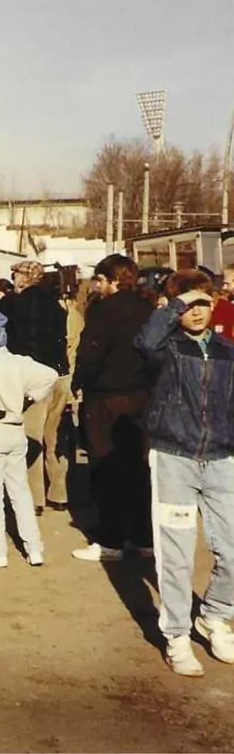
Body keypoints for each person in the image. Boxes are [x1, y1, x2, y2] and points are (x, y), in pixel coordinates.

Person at [134, 270, 234, 676]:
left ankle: (215, 616)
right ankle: (176, 634)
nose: (196, 311)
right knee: (176, 553)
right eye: (188, 303)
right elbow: (144, 341)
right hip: (173, 457)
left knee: (231, 548)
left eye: (203, 302)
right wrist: (174, 303)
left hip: (222, 459)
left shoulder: (228, 350)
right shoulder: (166, 349)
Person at [71, 254, 155, 562]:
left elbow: (91, 352)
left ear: (112, 280)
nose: (98, 285)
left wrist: (80, 382)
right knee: (138, 467)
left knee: (106, 468)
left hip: (105, 397)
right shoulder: (148, 308)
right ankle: (142, 536)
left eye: (101, 280)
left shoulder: (103, 311)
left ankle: (111, 539)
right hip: (141, 396)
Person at [0, 262, 70, 513]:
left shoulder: (16, 303)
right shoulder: (56, 305)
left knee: (31, 437)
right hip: (59, 376)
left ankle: (35, 498)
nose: (13, 279)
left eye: (15, 274)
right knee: (55, 438)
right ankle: (59, 494)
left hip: (32, 376)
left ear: (23, 278)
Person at [0, 312, 58, 568]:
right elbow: (50, 375)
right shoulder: (20, 362)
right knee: (21, 491)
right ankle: (34, 548)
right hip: (16, 431)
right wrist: (29, 399)